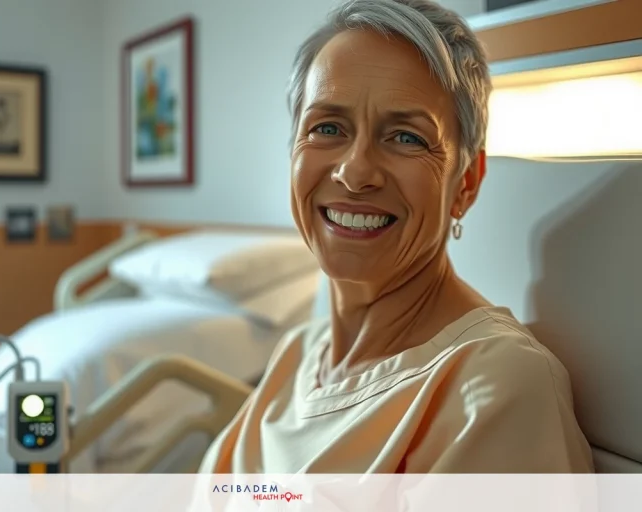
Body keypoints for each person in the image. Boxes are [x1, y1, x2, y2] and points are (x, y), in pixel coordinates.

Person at [198, 0, 594, 473]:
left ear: (465, 183)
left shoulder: (492, 385)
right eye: (327, 127)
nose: (355, 172)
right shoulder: (298, 354)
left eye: (406, 137)